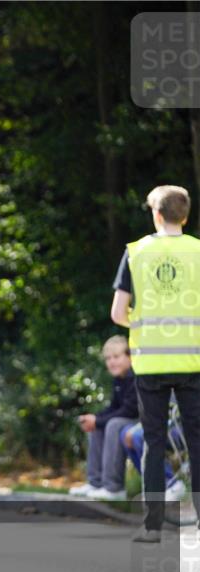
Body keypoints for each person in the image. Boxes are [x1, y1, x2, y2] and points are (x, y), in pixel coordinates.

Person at [111, 185, 200, 542]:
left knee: (153, 441)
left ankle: (151, 526)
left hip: (149, 364)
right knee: (197, 440)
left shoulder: (136, 253)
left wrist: (150, 326)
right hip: (193, 361)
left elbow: (118, 313)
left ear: (156, 214)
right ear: (186, 215)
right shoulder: (198, 252)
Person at [69, 335, 138, 500]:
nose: (112, 362)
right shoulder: (119, 380)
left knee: (112, 425)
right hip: (126, 418)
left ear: (129, 357)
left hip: (139, 420)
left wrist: (99, 420)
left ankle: (114, 488)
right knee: (96, 427)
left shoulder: (136, 377)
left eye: (116, 357)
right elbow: (114, 407)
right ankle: (95, 483)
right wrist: (95, 418)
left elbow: (129, 410)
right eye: (108, 358)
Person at [120, 419, 186, 501]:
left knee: (138, 437)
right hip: (157, 421)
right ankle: (152, 487)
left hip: (177, 424)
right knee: (125, 434)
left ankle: (171, 484)